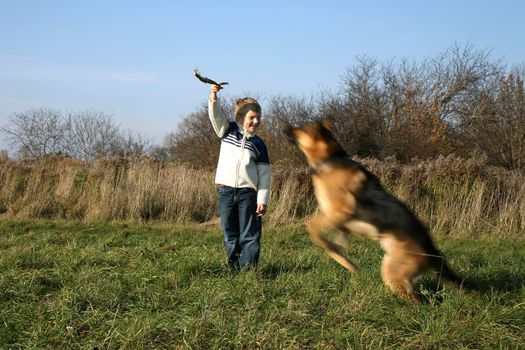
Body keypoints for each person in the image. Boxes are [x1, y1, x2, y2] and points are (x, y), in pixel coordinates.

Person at [208, 84, 270, 270]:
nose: (256, 121)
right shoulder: (227, 131)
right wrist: (213, 96)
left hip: (248, 194)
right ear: (241, 117)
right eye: (252, 117)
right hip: (226, 191)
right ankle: (232, 267)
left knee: (250, 234)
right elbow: (215, 116)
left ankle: (248, 269)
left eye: (258, 117)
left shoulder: (258, 144)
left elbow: (264, 175)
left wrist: (262, 200)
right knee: (230, 233)